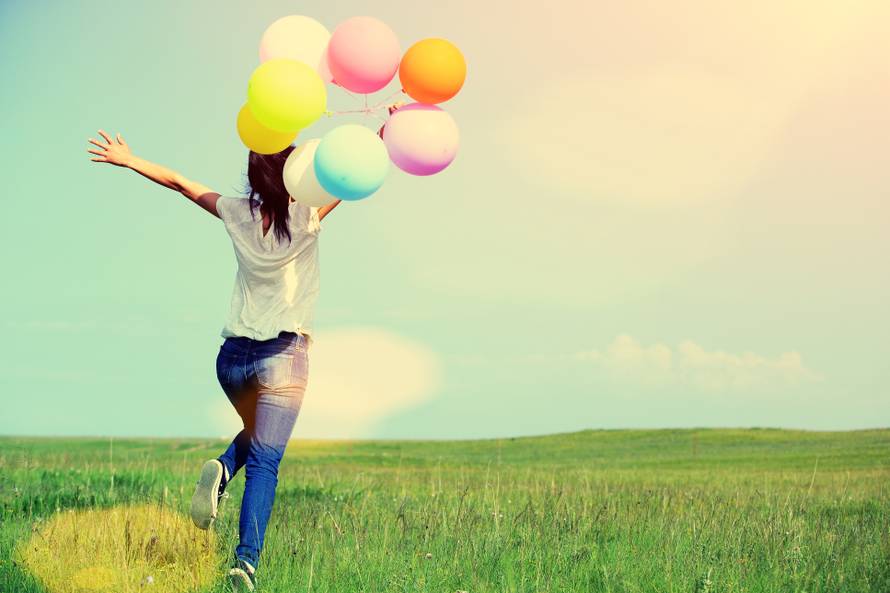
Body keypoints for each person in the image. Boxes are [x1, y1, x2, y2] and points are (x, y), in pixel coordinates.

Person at [86, 129, 341, 592]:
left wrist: (129, 158)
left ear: (251, 177)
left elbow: (180, 182)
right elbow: (344, 177)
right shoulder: (307, 216)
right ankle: (244, 565)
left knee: (259, 432)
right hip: (282, 356)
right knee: (265, 460)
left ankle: (224, 468)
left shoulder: (235, 212)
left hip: (231, 361)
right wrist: (381, 137)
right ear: (292, 175)